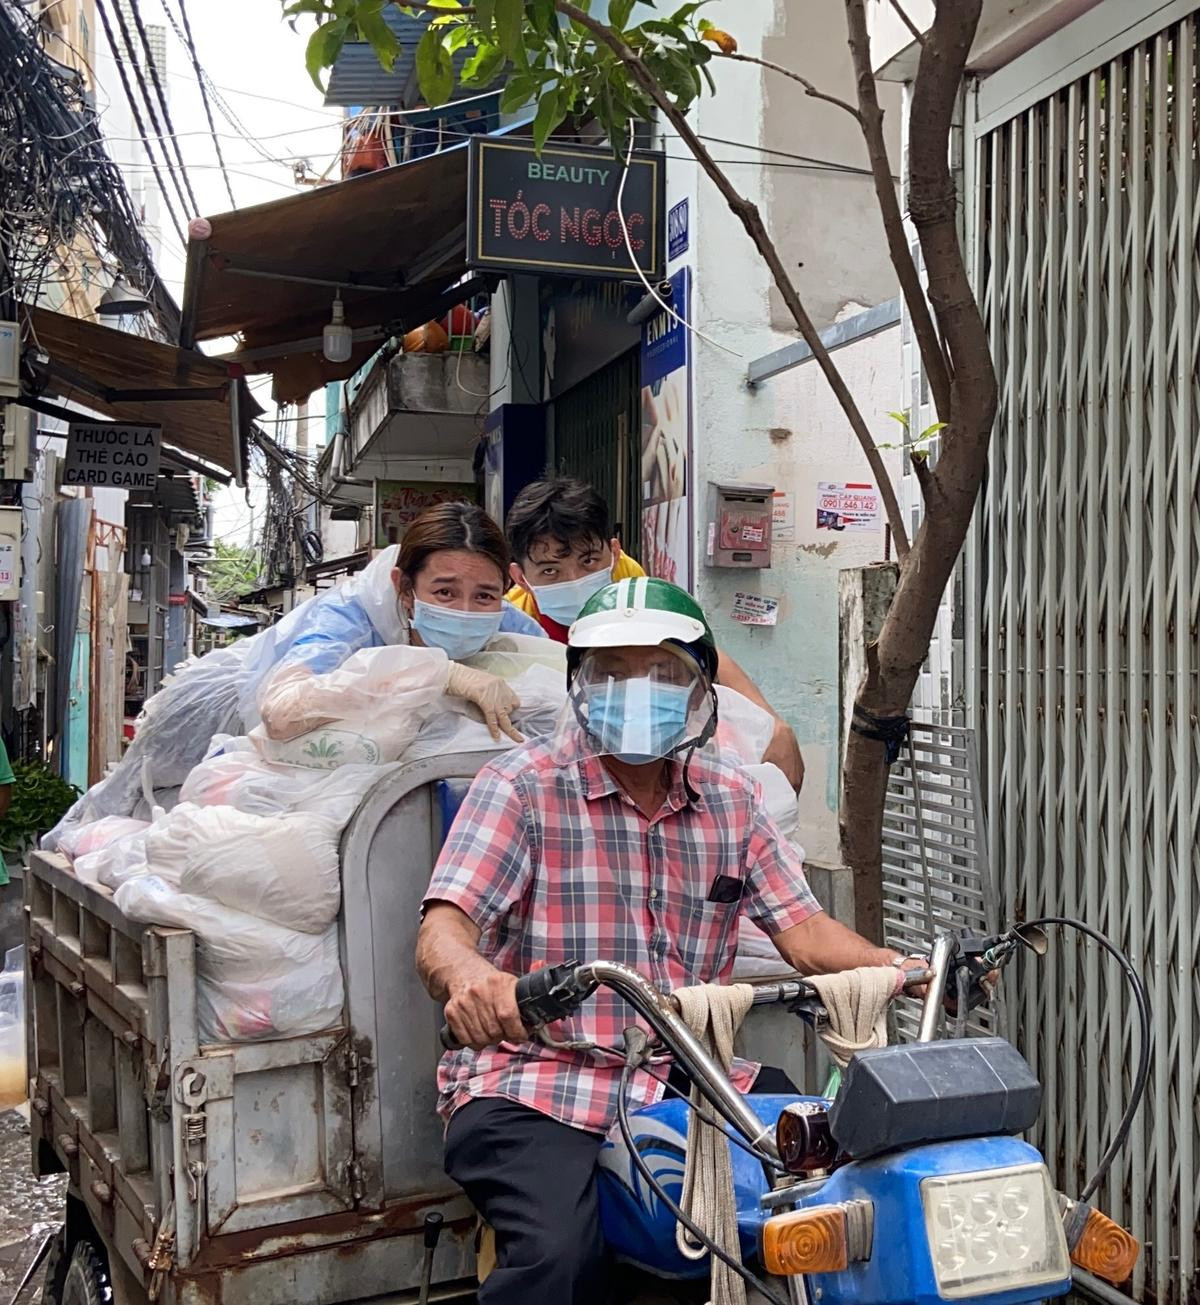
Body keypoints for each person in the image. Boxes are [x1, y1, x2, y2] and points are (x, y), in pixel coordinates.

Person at [417, 578, 927, 1304]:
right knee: (559, 1259)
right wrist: (473, 980)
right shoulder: (522, 785)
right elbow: (444, 926)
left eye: (662, 671)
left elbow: (806, 934)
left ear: (701, 689)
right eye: (611, 671)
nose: (636, 689)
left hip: (692, 1070)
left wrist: (897, 967)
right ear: (579, 683)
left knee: (832, 1192)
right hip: (537, 1080)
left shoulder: (732, 796)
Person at [47, 502, 543, 843]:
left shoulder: (506, 623)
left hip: (328, 761)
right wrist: (437, 674)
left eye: (484, 595)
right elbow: (283, 712)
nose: (466, 609)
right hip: (215, 715)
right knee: (138, 814)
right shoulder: (349, 617)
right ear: (404, 588)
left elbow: (551, 697)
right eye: (444, 592)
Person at [503, 475, 805, 791]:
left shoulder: (631, 587)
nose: (576, 578)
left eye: (590, 560)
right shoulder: (514, 628)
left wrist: (775, 725)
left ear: (614, 552)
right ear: (520, 577)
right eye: (550, 571)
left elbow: (692, 649)